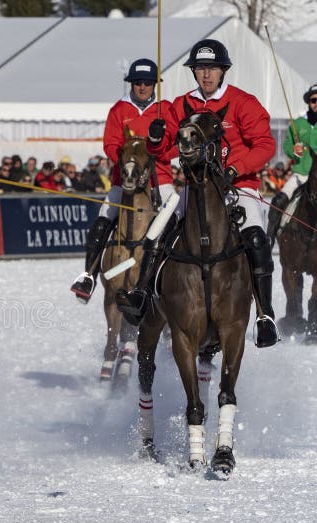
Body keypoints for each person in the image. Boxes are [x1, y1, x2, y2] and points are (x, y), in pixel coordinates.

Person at [116, 39, 278, 348]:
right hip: (195, 187)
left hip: (237, 187)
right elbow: (162, 150)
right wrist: (154, 140)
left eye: (213, 69)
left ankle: (265, 314)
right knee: (158, 229)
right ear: (194, 72)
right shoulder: (179, 105)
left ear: (223, 71)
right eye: (201, 69)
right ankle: (141, 295)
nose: (207, 75)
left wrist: (235, 168)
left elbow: (265, 145)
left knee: (254, 235)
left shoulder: (243, 102)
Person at [71, 58, 178, 303]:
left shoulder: (166, 110)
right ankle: (88, 276)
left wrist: (158, 147)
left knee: (177, 219)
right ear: (131, 83)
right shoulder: (119, 110)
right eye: (138, 82)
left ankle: (174, 278)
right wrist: (129, 162)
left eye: (148, 83)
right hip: (124, 180)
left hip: (160, 178)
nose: (142, 87)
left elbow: (173, 147)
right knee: (104, 218)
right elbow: (110, 144)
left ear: (155, 85)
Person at [267, 83, 317, 245]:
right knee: (278, 202)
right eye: (313, 100)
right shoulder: (297, 124)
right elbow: (287, 145)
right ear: (308, 102)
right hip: (300, 176)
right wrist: (294, 151)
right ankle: (269, 240)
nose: (316, 103)